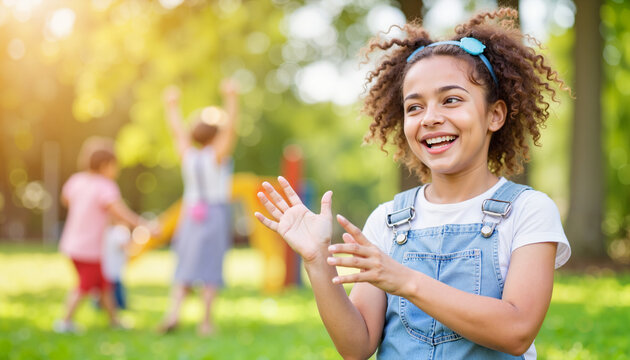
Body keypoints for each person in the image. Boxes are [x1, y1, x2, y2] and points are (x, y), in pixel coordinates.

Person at [255, 8, 571, 359]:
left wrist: (404, 280)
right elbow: (357, 347)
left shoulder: (528, 210)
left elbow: (517, 331)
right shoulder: (388, 220)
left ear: (494, 115)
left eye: (451, 100)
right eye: (414, 107)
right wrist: (316, 261)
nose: (431, 118)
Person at [158, 79, 239, 336]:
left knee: (186, 263)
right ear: (215, 136)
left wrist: (171, 105)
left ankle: (173, 313)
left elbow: (176, 131)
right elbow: (232, 128)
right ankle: (205, 322)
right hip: (214, 212)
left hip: (191, 212)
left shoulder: (188, 156)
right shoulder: (217, 155)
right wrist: (232, 97)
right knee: (210, 266)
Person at [54, 137, 155, 333]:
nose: (116, 171)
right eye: (115, 166)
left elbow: (66, 199)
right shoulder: (105, 186)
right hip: (89, 248)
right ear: (105, 165)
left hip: (71, 244)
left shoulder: (76, 180)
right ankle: (64, 322)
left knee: (103, 285)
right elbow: (120, 212)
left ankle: (114, 321)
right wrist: (144, 225)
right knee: (85, 286)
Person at [102, 223, 132, 310]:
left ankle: (101, 304)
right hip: (114, 267)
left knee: (105, 287)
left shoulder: (106, 231)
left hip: (106, 265)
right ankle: (117, 305)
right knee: (114, 288)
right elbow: (123, 245)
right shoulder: (119, 232)